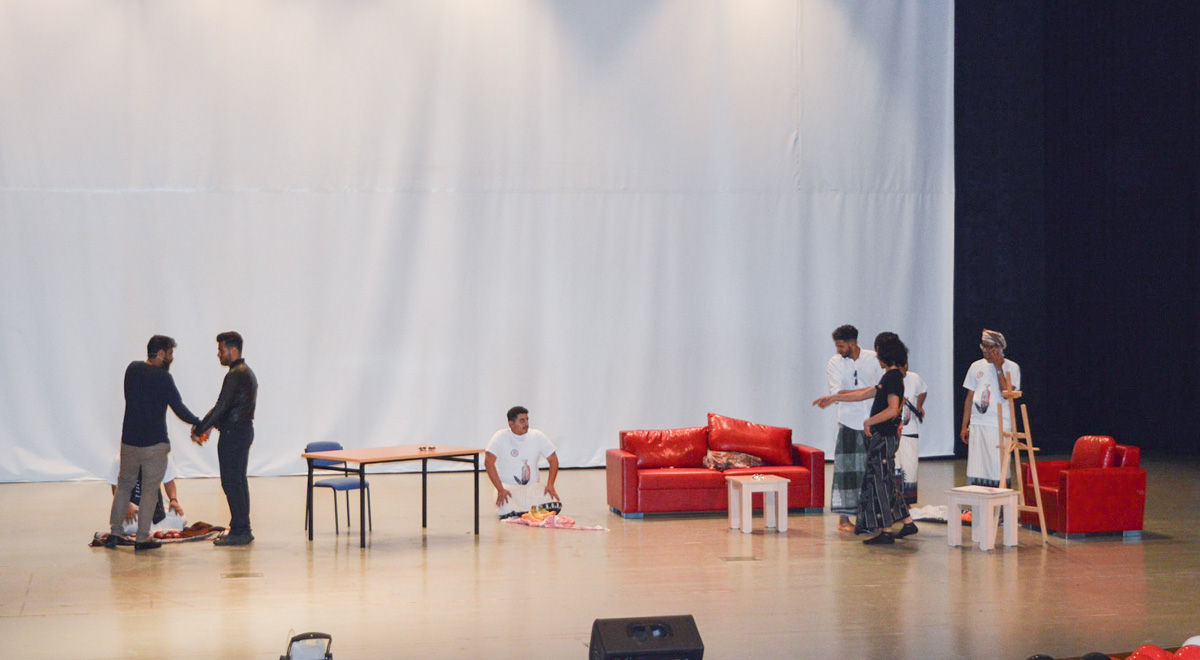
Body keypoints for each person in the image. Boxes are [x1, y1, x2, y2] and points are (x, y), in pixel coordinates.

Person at [105, 335, 202, 551]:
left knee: (123, 487)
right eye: (170, 354)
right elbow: (179, 408)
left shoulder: (132, 369)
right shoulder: (164, 378)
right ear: (160, 354)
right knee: (150, 490)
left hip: (129, 441)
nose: (171, 358)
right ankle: (142, 539)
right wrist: (199, 423)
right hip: (154, 444)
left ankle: (115, 534)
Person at [814, 325, 883, 532]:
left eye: (841, 346)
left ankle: (870, 517)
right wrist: (869, 391)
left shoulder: (873, 359)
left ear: (853, 343)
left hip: (873, 420)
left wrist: (868, 391)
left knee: (871, 471)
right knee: (846, 471)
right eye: (837, 346)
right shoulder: (834, 363)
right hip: (848, 422)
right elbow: (838, 392)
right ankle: (844, 520)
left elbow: (882, 388)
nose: (839, 350)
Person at [192, 331, 258, 546]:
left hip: (234, 434)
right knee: (237, 481)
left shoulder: (236, 374)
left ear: (233, 350)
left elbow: (221, 406)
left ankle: (241, 531)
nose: (218, 354)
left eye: (221, 350)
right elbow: (228, 407)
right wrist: (210, 426)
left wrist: (201, 427)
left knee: (232, 482)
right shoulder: (245, 372)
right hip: (241, 431)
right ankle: (242, 527)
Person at [855, 336, 917, 544]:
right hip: (887, 435)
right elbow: (867, 394)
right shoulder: (892, 377)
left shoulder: (892, 378)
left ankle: (887, 529)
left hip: (883, 436)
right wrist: (836, 397)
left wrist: (869, 421)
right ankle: (907, 521)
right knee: (887, 478)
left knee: (879, 481)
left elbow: (892, 409)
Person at [960, 329, 1021, 487]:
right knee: (977, 468)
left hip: (999, 425)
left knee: (997, 468)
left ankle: (999, 501)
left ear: (1000, 347)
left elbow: (1007, 393)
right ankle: (978, 500)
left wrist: (998, 368)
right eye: (983, 346)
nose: (986, 350)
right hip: (978, 423)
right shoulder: (975, 366)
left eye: (990, 347)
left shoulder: (1012, 367)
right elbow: (969, 398)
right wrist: (964, 426)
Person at [484, 406, 560, 519]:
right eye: (522, 421)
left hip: (532, 488)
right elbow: (488, 462)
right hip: (507, 489)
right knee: (506, 510)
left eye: (527, 419)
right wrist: (500, 489)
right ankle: (524, 511)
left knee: (554, 504)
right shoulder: (500, 436)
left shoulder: (537, 435)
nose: (526, 424)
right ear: (511, 423)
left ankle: (524, 511)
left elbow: (553, 459)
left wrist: (550, 485)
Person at [107, 452, 185, 529]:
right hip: (131, 505)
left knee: (180, 520)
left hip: (156, 502)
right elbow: (115, 487)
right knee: (132, 527)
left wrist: (173, 500)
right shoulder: (121, 459)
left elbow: (169, 482)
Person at [898, 361, 928, 504]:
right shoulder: (887, 378)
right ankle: (894, 503)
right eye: (901, 365)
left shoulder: (914, 378)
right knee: (895, 469)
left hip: (910, 430)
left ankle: (907, 503)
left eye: (905, 365)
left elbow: (923, 390)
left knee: (910, 468)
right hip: (893, 432)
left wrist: (919, 405)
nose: (904, 368)